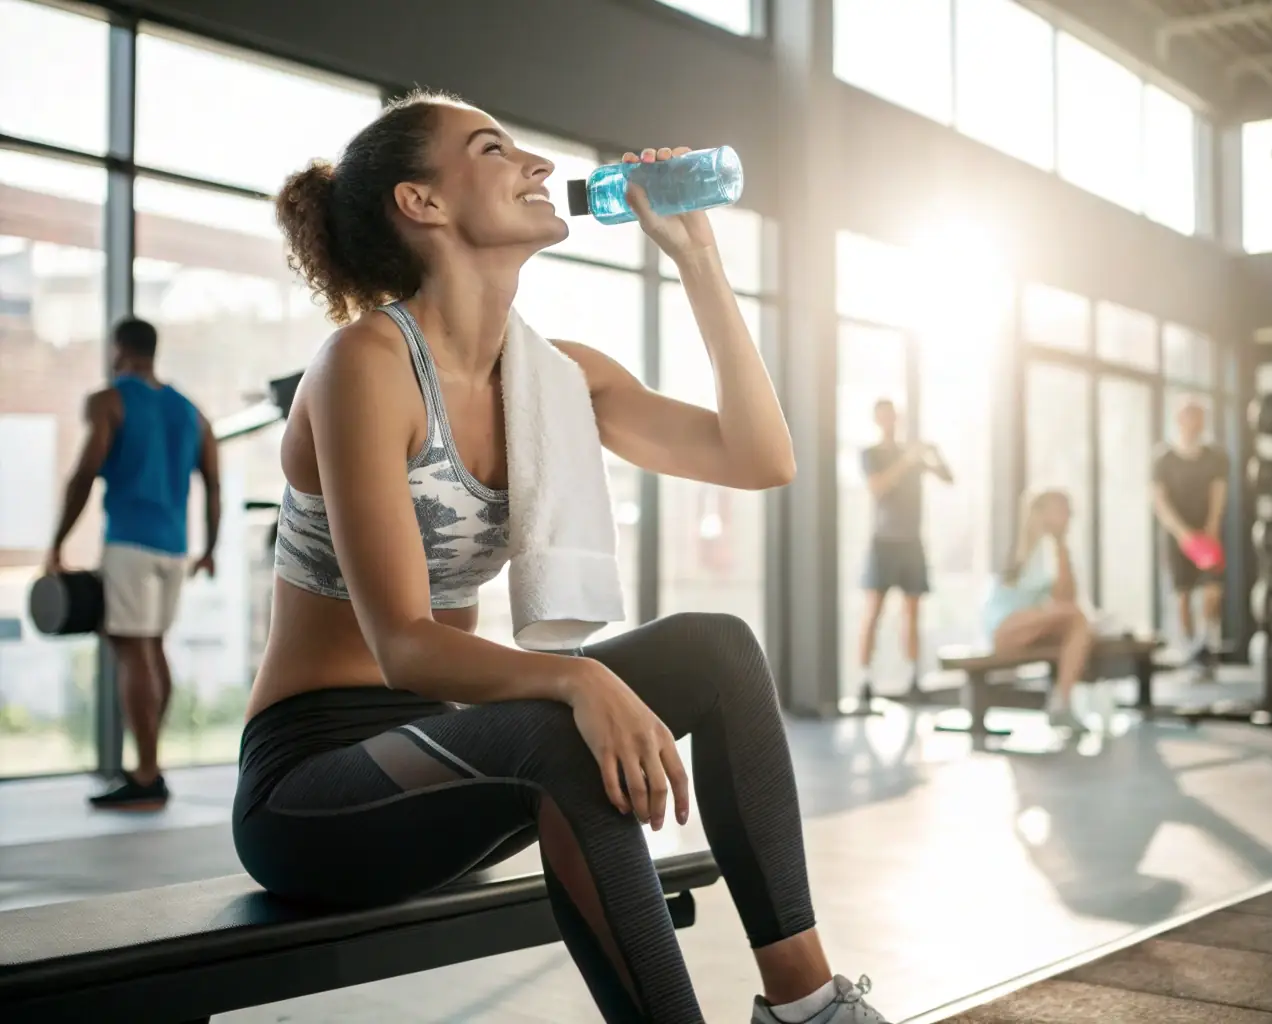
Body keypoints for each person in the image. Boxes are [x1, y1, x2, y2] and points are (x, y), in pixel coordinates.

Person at [234, 91, 889, 1024]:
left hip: (457, 760)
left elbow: (760, 459)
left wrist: (698, 260)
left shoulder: (556, 378)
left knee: (716, 648)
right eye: (495, 149)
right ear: (421, 203)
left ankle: (809, 1006)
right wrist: (579, 681)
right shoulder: (366, 365)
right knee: (560, 723)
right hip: (312, 794)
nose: (539, 166)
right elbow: (406, 649)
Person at [45, 316, 220, 810]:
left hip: (129, 542)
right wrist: (209, 547)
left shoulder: (109, 399)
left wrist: (56, 544)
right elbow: (214, 482)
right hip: (173, 547)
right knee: (152, 648)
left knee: (131, 649)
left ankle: (146, 772)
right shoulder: (190, 410)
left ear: (119, 348)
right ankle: (149, 763)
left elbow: (83, 475)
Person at [857, 399, 952, 699]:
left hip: (911, 542)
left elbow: (948, 478)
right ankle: (865, 680)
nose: (889, 421)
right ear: (876, 420)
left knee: (913, 612)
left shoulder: (912, 454)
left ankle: (913, 679)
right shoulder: (871, 454)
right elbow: (878, 487)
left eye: (892, 416)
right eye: (883, 416)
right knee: (874, 612)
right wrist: (907, 462)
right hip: (883, 542)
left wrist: (934, 454)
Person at [979, 489, 1091, 732]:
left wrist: (1061, 544)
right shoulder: (1023, 546)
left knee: (1078, 623)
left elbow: (1066, 597)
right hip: (1005, 627)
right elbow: (1062, 604)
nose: (1068, 516)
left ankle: (1062, 701)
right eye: (1061, 509)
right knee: (1073, 615)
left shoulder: (1055, 548)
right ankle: (1060, 701)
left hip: (1035, 626)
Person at [1151, 397, 1229, 677]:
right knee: (1182, 594)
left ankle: (1207, 643)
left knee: (1212, 591)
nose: (1195, 423)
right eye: (1189, 417)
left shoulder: (1215, 457)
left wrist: (1210, 529)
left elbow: (1218, 492)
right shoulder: (1163, 459)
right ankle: (1190, 650)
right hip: (1178, 535)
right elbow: (1159, 501)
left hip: (1208, 533)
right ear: (1179, 420)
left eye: (1199, 417)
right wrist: (1183, 535)